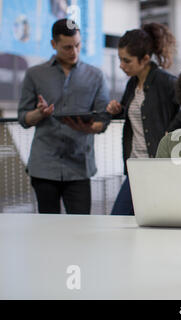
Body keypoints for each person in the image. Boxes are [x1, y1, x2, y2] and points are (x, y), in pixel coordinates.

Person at [17, 18, 110, 215]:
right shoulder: (35, 74)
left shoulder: (96, 76)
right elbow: (23, 118)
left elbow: (103, 119)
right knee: (48, 229)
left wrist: (90, 127)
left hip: (79, 167)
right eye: (67, 47)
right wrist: (38, 113)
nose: (74, 52)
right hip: (44, 166)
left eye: (77, 45)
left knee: (81, 230)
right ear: (53, 44)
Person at [107, 23, 181, 215]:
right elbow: (133, 115)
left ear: (145, 59)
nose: (121, 65)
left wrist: (171, 130)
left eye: (126, 61)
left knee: (158, 220)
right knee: (118, 217)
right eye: (120, 60)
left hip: (160, 167)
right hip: (136, 168)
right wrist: (117, 110)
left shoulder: (166, 81)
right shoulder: (132, 84)